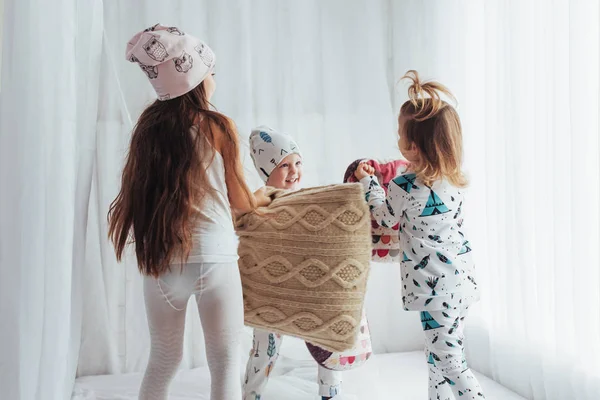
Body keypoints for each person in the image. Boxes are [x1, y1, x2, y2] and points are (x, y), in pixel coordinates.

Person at [107, 24, 270, 400]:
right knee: (226, 363)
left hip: (163, 261)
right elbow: (241, 200)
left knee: (163, 360)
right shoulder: (218, 126)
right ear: (196, 78)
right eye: (210, 71)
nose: (214, 78)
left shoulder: (147, 131)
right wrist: (266, 197)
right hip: (214, 258)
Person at [354, 71, 485, 400]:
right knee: (439, 357)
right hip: (461, 283)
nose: (397, 138)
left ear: (411, 145)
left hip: (433, 288)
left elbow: (385, 219)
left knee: (451, 362)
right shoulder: (455, 181)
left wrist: (369, 183)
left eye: (400, 133)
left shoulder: (403, 186)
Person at [243, 125, 343, 400]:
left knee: (328, 341)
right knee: (265, 347)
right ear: (266, 170)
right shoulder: (260, 201)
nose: (294, 170)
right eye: (283, 165)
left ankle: (329, 392)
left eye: (297, 162)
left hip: (310, 287)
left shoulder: (311, 199)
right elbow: (249, 237)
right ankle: (251, 394)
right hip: (272, 292)